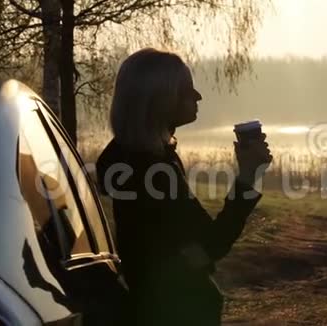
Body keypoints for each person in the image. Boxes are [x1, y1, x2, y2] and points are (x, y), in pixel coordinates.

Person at [96, 48, 272, 325]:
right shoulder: (151, 171)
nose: (198, 96)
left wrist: (196, 257)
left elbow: (195, 250)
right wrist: (248, 177)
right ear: (161, 100)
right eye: (187, 90)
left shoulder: (133, 160)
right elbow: (211, 244)